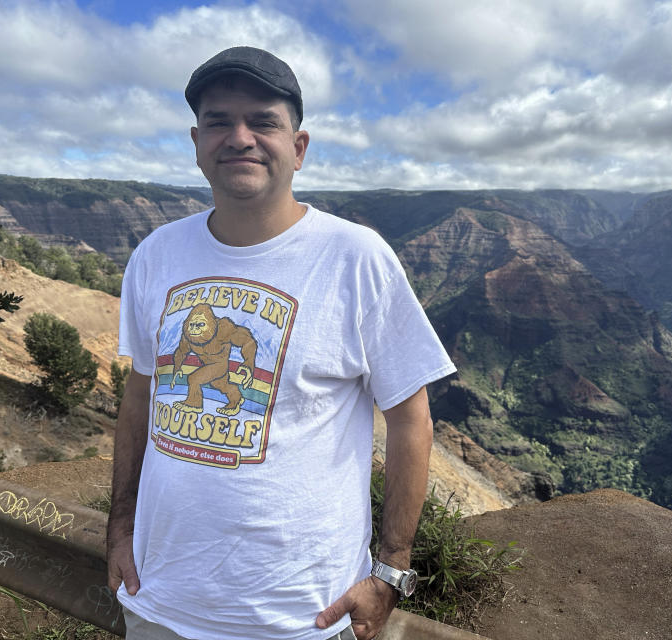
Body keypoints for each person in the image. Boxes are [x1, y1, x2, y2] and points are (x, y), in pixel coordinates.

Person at [107, 46, 456, 640]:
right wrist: (118, 529)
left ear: (298, 147)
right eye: (219, 121)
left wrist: (391, 568)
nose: (239, 137)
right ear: (197, 143)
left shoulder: (357, 257)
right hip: (160, 602)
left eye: (263, 121)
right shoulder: (155, 256)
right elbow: (140, 400)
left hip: (302, 617)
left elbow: (410, 418)